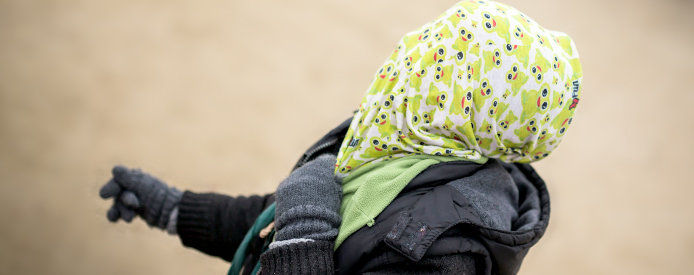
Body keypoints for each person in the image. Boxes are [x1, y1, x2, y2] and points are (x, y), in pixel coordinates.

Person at [99, 0, 582, 274]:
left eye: (426, 69)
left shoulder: (443, 253)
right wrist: (174, 208)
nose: (401, 66)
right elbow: (276, 220)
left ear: (454, 107)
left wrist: (305, 235)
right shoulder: (399, 150)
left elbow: (305, 225)